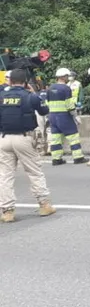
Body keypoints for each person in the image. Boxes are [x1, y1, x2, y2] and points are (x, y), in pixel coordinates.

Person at [0, 69, 56, 223]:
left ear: (10, 81)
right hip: (24, 138)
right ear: (25, 82)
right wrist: (34, 93)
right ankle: (44, 205)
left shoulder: (1, 96)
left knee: (5, 175)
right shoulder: (30, 96)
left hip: (4, 138)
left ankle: (7, 211)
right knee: (34, 172)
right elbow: (44, 110)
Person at [45, 68, 88, 166]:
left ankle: (56, 159)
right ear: (64, 77)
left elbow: (46, 102)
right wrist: (75, 116)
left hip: (52, 116)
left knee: (55, 138)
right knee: (73, 137)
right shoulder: (66, 88)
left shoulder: (50, 88)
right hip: (64, 116)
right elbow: (69, 104)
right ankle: (78, 157)